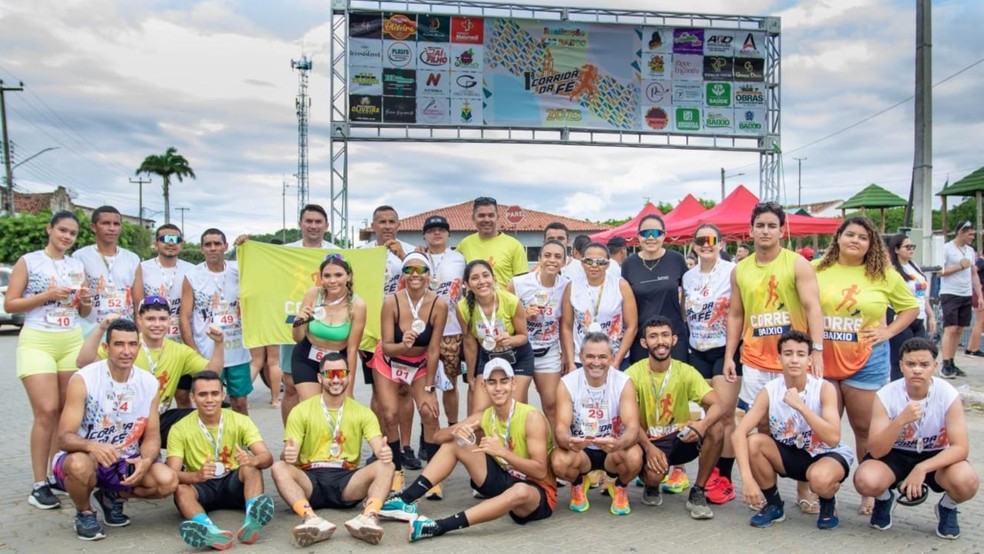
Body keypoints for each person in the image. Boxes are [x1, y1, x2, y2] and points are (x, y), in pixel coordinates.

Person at [723, 201, 826, 514]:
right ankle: (769, 491)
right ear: (750, 230)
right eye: (760, 225)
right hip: (754, 359)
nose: (765, 231)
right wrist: (730, 354)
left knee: (800, 423)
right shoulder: (740, 269)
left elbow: (813, 307)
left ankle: (805, 486)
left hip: (791, 360)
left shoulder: (797, 264)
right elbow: (736, 314)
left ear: (782, 230)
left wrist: (817, 350)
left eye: (771, 225)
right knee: (762, 427)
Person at [813, 217, 919, 514]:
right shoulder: (816, 268)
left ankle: (869, 490)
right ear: (838, 237)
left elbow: (910, 307)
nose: (855, 241)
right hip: (824, 357)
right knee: (822, 428)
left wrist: (888, 331)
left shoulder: (884, 273)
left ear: (871, 244)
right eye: (850, 234)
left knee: (864, 429)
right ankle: (817, 487)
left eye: (863, 237)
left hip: (867, 360)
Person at [395, 358, 557, 542]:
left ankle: (439, 526)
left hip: (536, 491)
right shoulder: (485, 416)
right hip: (505, 479)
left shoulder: (531, 417)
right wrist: (458, 430)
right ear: (483, 386)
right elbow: (438, 437)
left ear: (513, 383)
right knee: (455, 443)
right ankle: (405, 500)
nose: (498, 388)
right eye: (492, 382)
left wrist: (503, 453)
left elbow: (540, 470)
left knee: (520, 491)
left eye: (504, 381)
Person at [53, 319, 178, 541]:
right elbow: (63, 437)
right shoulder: (84, 379)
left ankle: (111, 496)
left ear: (139, 348)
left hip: (124, 460)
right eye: (119, 344)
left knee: (166, 481)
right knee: (79, 465)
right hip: (85, 457)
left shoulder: (148, 383)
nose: (126, 351)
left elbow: (151, 436)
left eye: (132, 344)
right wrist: (91, 445)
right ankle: (85, 512)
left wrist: (146, 461)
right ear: (106, 347)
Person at [271, 353, 412, 547]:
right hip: (310, 479)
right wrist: (286, 455)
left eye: (341, 373)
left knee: (386, 466)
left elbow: (379, 445)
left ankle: (368, 518)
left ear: (349, 376)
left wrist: (384, 451)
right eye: (330, 374)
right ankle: (310, 519)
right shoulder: (301, 410)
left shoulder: (362, 412)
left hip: (347, 480)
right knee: (279, 467)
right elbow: (288, 450)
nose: (336, 379)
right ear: (320, 378)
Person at [4, 211, 92, 509]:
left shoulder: (76, 265)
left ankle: (57, 474)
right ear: (49, 229)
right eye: (62, 230)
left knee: (68, 411)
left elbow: (81, 312)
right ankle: (38, 483)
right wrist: (46, 294)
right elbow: (11, 303)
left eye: (72, 233)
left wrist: (86, 302)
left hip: (70, 340)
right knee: (46, 410)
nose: (67, 237)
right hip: (38, 340)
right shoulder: (29, 261)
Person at [854, 338, 979, 540]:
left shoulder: (948, 394)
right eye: (911, 364)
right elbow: (875, 450)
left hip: (934, 454)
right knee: (865, 479)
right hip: (895, 454)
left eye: (924, 365)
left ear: (934, 366)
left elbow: (961, 448)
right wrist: (900, 421)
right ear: (901, 365)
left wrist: (921, 468)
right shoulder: (886, 394)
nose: (917, 370)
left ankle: (948, 507)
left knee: (967, 481)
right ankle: (884, 500)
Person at [732, 331, 854, 530]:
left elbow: (833, 438)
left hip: (825, 454)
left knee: (820, 480)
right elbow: (738, 433)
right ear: (779, 358)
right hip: (790, 454)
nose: (794, 359)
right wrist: (746, 479)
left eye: (800, 354)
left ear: (809, 359)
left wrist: (801, 406)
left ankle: (827, 501)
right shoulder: (770, 390)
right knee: (754, 442)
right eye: (788, 354)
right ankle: (774, 505)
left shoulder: (824, 388)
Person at [76, 296, 225, 447]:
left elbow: (212, 375)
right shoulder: (128, 345)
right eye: (150, 319)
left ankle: (183, 465)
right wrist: (102, 328)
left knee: (206, 417)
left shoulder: (180, 351)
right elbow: (83, 362)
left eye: (162, 319)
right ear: (139, 320)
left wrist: (219, 344)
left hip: (157, 419)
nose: (157, 324)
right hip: (122, 419)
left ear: (169, 321)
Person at [627, 317, 725, 519]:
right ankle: (650, 485)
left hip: (680, 437)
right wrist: (648, 448)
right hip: (650, 440)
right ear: (644, 343)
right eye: (653, 336)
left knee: (716, 428)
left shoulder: (686, 371)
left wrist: (701, 425)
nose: (660, 341)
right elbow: (629, 421)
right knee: (654, 477)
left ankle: (697, 491)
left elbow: (718, 404)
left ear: (674, 340)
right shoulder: (633, 374)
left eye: (664, 335)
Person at [167, 371, 275, 550]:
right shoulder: (179, 429)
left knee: (251, 468)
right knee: (180, 489)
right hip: (203, 486)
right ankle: (209, 530)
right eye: (202, 394)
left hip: (233, 483)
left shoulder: (241, 420)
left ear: (223, 395)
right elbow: (172, 473)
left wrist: (252, 459)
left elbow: (267, 457)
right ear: (192, 397)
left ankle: (252, 520)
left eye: (214, 394)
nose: (209, 399)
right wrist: (196, 476)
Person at [374, 253, 446, 494]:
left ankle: (433, 476)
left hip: (420, 363)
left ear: (429, 274)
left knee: (429, 412)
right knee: (390, 415)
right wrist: (403, 345)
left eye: (421, 269)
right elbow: (386, 346)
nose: (415, 275)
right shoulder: (391, 301)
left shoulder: (439, 304)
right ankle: (395, 471)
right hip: (389, 361)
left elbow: (434, 349)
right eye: (409, 270)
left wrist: (429, 388)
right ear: (402, 275)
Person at [551, 333, 642, 515]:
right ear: (581, 357)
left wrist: (619, 443)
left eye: (602, 357)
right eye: (590, 356)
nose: (596, 362)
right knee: (559, 461)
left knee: (634, 456)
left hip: (612, 449)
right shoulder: (567, 383)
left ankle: (619, 486)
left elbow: (633, 428)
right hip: (581, 450)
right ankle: (578, 483)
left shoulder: (624, 382)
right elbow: (560, 427)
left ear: (612, 358)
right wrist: (569, 442)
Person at [359, 205, 419, 470]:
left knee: (404, 389)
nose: (386, 226)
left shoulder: (410, 252)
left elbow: (421, 282)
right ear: (373, 226)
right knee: (379, 392)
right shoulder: (361, 254)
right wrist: (360, 335)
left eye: (391, 221)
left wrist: (403, 257)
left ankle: (405, 447)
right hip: (372, 331)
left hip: (402, 329)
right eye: (380, 222)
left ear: (398, 224)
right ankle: (381, 446)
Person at [682, 223, 738, 504]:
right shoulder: (688, 277)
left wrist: (730, 354)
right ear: (693, 245)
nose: (706, 244)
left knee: (725, 414)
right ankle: (710, 468)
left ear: (721, 243)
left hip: (725, 351)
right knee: (707, 415)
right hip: (697, 349)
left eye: (711, 239)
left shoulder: (732, 272)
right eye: (700, 240)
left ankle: (724, 476)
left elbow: (740, 311)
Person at [180, 229, 252, 415]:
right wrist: (192, 350)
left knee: (240, 402)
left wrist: (248, 246)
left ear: (225, 246)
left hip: (237, 349)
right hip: (207, 351)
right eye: (208, 244)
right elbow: (184, 316)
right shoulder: (192, 276)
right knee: (209, 403)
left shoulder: (240, 269)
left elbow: (262, 270)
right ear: (201, 248)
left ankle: (243, 442)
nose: (213, 248)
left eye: (217, 244)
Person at [132, 223, 196, 408]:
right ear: (156, 243)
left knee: (183, 395)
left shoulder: (191, 269)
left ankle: (183, 434)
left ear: (181, 244)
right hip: (151, 342)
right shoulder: (142, 268)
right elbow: (138, 306)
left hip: (180, 342)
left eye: (176, 239)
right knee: (152, 395)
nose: (171, 243)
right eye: (165, 239)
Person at [508, 240, 570, 430]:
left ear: (565, 261)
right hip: (521, 351)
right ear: (539, 258)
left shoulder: (566, 285)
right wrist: (524, 315)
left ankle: (556, 451)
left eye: (558, 256)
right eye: (547, 255)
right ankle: (521, 450)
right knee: (518, 406)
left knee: (552, 404)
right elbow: (503, 318)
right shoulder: (519, 283)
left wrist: (566, 356)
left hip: (549, 351)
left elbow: (566, 324)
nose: (552, 260)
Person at [458, 260, 534, 413]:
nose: (481, 282)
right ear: (466, 284)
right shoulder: (463, 307)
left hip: (517, 356)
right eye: (475, 278)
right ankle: (481, 437)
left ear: (494, 279)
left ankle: (515, 437)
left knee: (513, 409)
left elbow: (523, 337)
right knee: (479, 410)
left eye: (486, 276)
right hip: (489, 356)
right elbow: (470, 343)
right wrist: (472, 377)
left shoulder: (511, 301)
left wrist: (510, 340)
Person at [419, 215, 467, 461]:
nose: (436, 234)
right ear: (424, 235)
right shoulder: (418, 258)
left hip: (452, 330)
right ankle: (427, 433)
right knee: (422, 385)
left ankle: (453, 426)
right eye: (431, 230)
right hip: (422, 331)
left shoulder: (459, 258)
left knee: (449, 384)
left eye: (441, 230)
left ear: (449, 235)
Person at [290, 254, 367, 400]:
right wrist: (299, 321)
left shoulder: (358, 305)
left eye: (338, 275)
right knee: (312, 407)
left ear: (348, 276)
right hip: (307, 356)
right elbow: (297, 338)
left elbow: (351, 350)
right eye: (327, 275)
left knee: (335, 409)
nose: (332, 281)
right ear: (321, 278)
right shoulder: (313, 294)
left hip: (337, 362)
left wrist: (349, 389)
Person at [621, 214, 689, 364]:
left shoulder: (676, 259)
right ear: (638, 237)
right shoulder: (629, 264)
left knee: (677, 384)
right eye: (645, 233)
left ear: (664, 235)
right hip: (642, 339)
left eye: (656, 233)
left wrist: (683, 319)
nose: (651, 237)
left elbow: (688, 293)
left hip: (673, 337)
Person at [561, 242, 637, 372]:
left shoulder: (621, 286)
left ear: (608, 264)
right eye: (589, 261)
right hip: (582, 359)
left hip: (614, 357)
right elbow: (566, 327)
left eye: (600, 262)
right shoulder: (571, 287)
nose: (594, 266)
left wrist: (617, 361)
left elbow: (632, 326)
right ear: (582, 262)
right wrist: (571, 362)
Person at [72, 206, 141, 332]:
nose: (112, 228)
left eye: (116, 224)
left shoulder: (132, 259)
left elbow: (138, 302)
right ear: (94, 227)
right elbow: (78, 297)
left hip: (124, 329)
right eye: (106, 223)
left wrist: (140, 332)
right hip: (90, 329)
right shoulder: (79, 257)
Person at [887, 233, 936, 380]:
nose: (911, 250)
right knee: (901, 357)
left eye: (912, 246)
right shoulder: (893, 270)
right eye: (907, 247)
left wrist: (931, 315)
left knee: (921, 354)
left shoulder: (914, 266)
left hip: (919, 316)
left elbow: (923, 295)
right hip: (900, 316)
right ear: (896, 249)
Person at [938, 220, 982, 377]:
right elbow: (939, 271)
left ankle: (952, 360)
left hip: (966, 293)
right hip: (950, 292)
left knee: (959, 329)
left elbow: (974, 273)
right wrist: (959, 266)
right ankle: (945, 364)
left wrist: (979, 294)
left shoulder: (970, 250)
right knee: (950, 328)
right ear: (961, 232)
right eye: (969, 234)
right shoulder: (947, 248)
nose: (972, 237)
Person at [455, 196, 528, 288]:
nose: (486, 220)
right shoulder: (464, 244)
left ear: (497, 217)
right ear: (473, 218)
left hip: (505, 302)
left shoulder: (514, 245)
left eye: (491, 215)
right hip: (473, 301)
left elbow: (523, 284)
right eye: (481, 216)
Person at [965, 254, 984, 357]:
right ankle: (973, 348)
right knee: (980, 322)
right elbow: (974, 270)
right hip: (980, 292)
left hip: (979, 292)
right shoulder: (981, 262)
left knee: (980, 322)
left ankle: (971, 347)